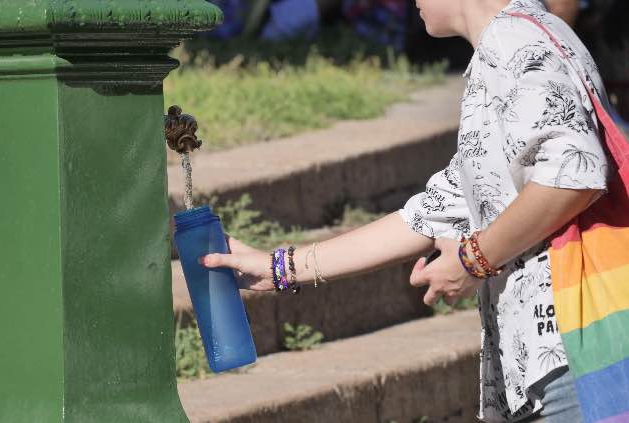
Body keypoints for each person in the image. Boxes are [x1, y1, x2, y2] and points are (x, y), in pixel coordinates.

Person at [199, 0, 614, 421]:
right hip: (559, 354)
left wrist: (472, 260)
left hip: (571, 352)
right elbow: (435, 211)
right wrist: (280, 267)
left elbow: (573, 174)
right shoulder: (523, 38)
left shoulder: (513, 40)